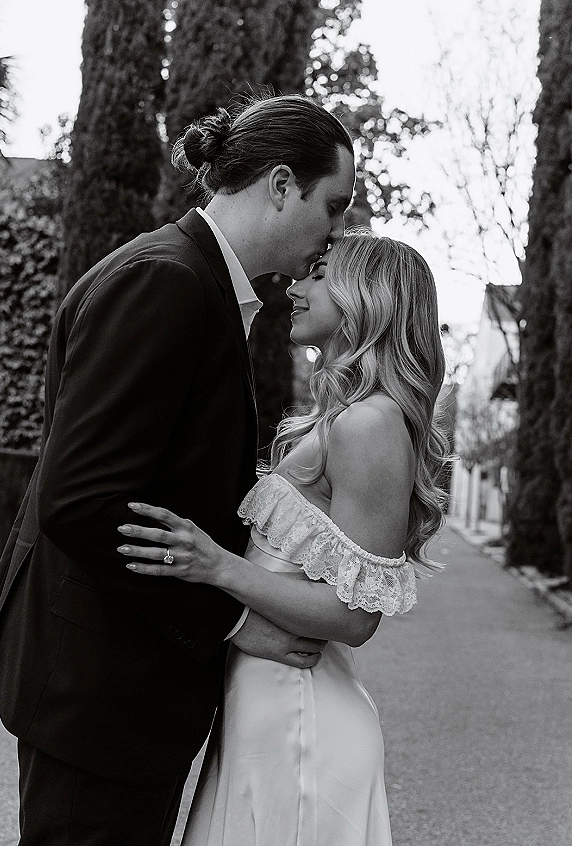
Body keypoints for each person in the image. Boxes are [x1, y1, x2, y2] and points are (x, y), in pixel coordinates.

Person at [0, 94, 356, 846]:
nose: (337, 231)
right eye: (334, 205)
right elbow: (84, 501)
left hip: (110, 684)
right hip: (99, 691)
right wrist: (234, 619)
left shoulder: (192, 280)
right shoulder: (167, 281)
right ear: (281, 184)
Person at [117, 227, 449, 845]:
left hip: (301, 720)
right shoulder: (343, 415)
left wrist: (218, 568)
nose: (294, 287)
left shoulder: (370, 423)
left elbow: (356, 619)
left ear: (365, 294)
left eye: (317, 274)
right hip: (263, 708)